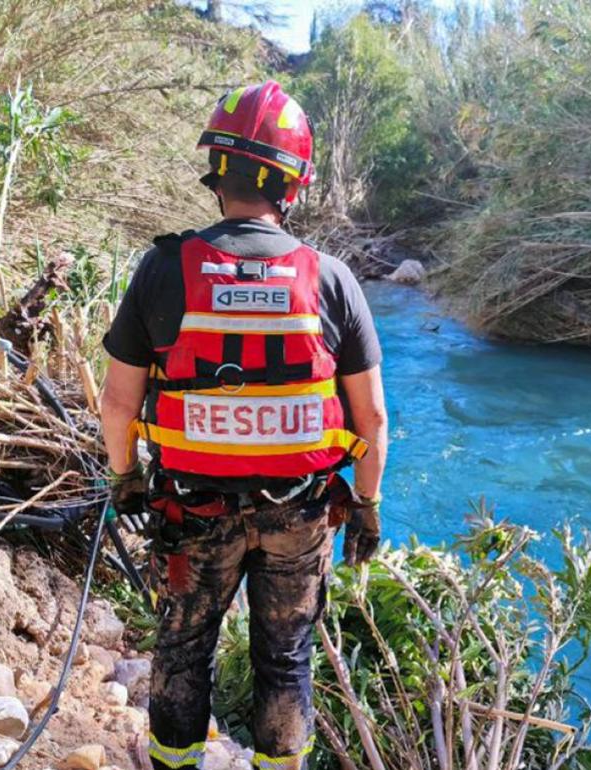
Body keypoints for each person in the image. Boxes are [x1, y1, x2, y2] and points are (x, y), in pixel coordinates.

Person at [98, 80, 388, 770]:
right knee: (285, 658)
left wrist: (125, 480)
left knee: (183, 646)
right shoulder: (331, 278)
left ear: (216, 174)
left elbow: (117, 403)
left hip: (191, 510)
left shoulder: (164, 269)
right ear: (293, 185)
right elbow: (372, 417)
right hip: (299, 514)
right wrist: (369, 506)